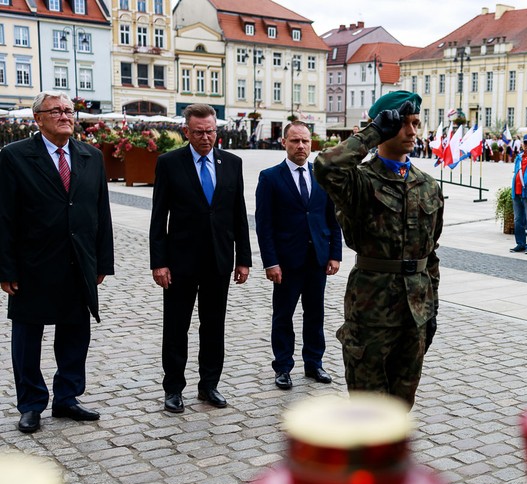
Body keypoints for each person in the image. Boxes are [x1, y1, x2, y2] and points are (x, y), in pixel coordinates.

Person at [314, 91, 443, 408]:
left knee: (401, 406)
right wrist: (372, 134)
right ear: (385, 128)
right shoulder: (361, 181)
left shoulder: (428, 185)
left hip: (415, 312)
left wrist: (432, 306)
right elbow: (326, 167)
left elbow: (432, 254)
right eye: (404, 125)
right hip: (372, 312)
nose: (413, 132)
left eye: (416, 123)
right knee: (367, 410)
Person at [0, 91, 114, 434]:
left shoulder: (90, 156)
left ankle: (67, 397)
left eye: (68, 110)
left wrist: (102, 261)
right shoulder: (14, 156)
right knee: (27, 338)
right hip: (32, 264)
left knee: (75, 334)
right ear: (38, 119)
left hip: (78, 262)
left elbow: (101, 212)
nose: (65, 115)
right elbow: (3, 216)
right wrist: (5, 269)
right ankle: (31, 404)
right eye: (57, 111)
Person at [149, 103, 252, 413]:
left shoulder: (231, 163)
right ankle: (173, 389)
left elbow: (238, 215)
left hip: (218, 261)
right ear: (187, 132)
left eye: (210, 131)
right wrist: (159, 262)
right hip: (180, 262)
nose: (206, 137)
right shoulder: (169, 163)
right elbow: (158, 217)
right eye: (199, 132)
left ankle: (209, 385)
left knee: (213, 326)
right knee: (176, 327)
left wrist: (243, 258)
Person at [255, 122, 342, 390]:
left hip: (317, 258)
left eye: (305, 141)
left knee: (315, 314)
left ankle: (314, 363)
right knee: (283, 316)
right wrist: (271, 262)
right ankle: (283, 367)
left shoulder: (321, 176)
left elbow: (332, 217)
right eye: (295, 141)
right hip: (286, 262)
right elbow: (264, 224)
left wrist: (334, 254)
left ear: (311, 144)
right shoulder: (270, 177)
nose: (301, 146)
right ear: (284, 143)